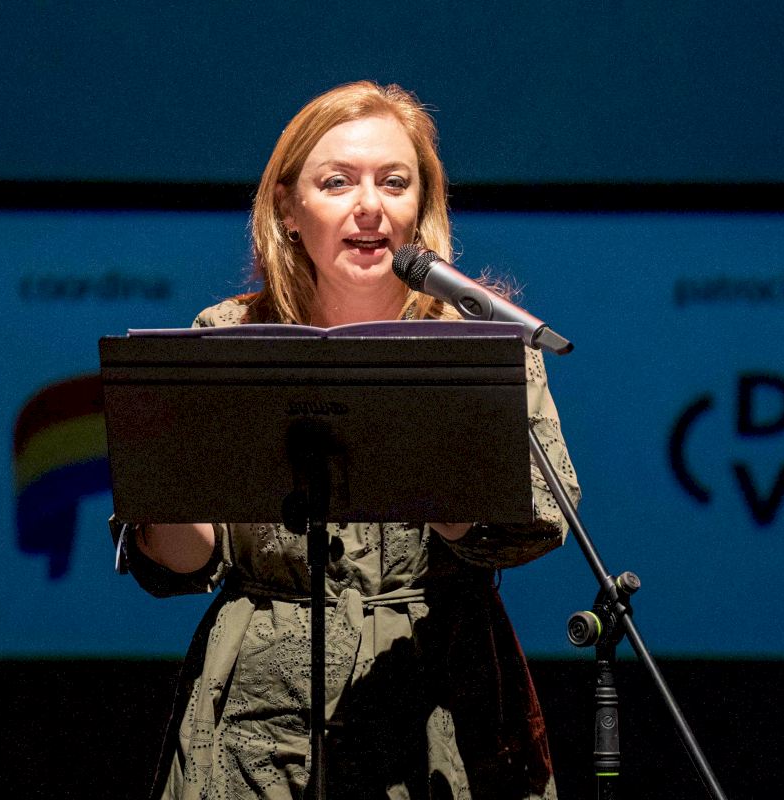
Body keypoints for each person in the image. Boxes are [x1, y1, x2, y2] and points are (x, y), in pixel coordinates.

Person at [116, 81, 581, 800]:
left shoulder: (478, 342)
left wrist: (426, 467)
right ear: (287, 209)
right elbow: (186, 560)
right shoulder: (226, 337)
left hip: (440, 702)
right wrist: (163, 479)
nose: (370, 206)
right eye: (338, 182)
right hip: (261, 719)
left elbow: (539, 521)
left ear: (422, 206)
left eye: (394, 183)